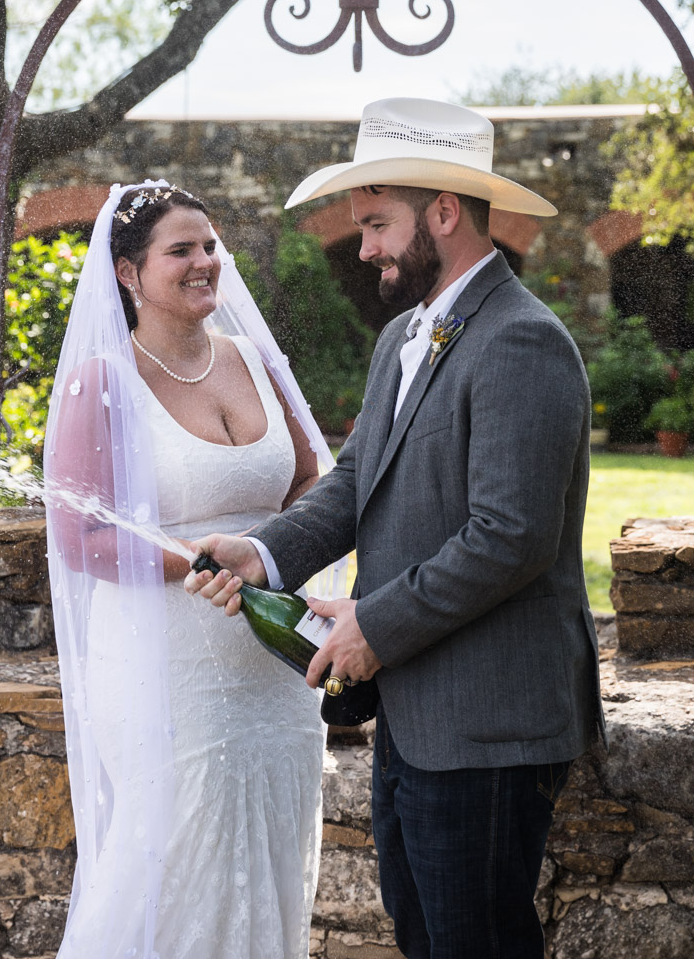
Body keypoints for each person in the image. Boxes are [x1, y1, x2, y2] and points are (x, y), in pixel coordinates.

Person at [188, 97, 603, 959]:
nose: (366, 246)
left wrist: (373, 623)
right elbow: (353, 484)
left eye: (378, 223)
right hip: (416, 714)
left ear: (444, 214)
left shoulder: (523, 341)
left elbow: (511, 536)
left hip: (489, 722)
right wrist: (265, 552)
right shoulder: (404, 339)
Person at [42, 182, 338, 959]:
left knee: (271, 839)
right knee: (175, 849)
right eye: (181, 250)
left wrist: (268, 557)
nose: (205, 261)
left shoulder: (255, 361)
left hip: (273, 659)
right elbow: (77, 535)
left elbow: (313, 481)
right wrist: (194, 563)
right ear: (129, 274)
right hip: (165, 660)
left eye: (210, 245)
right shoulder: (102, 380)